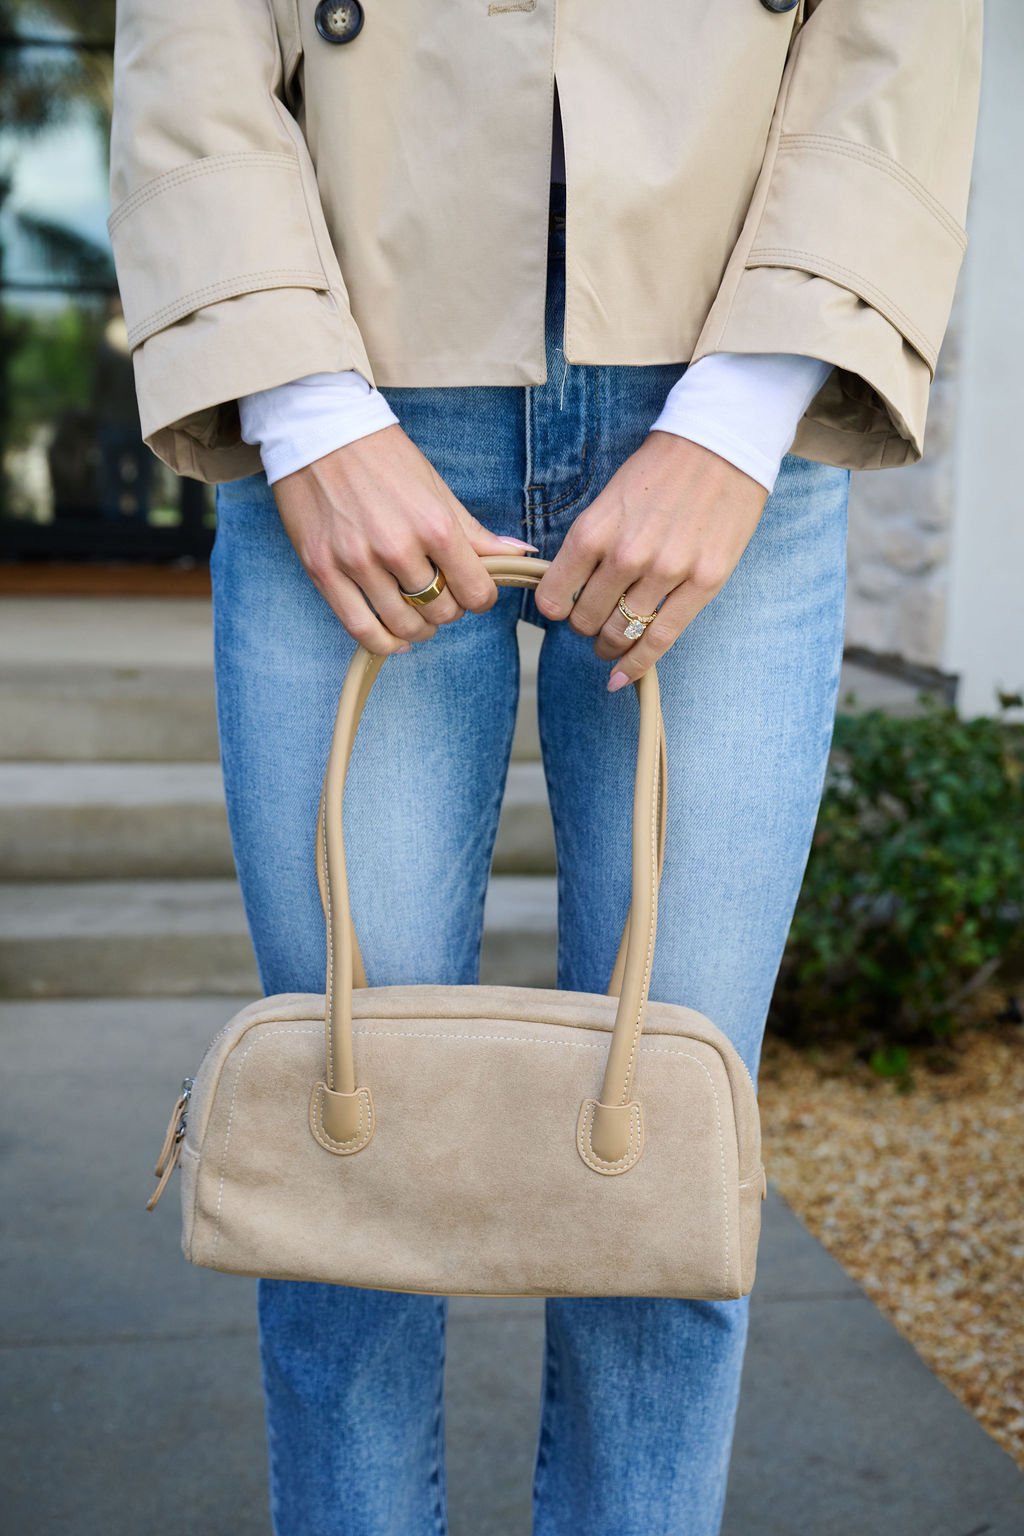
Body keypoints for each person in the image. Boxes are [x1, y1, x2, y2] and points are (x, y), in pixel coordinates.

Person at [107, 3, 982, 1533]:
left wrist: (747, 406)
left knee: (668, 1157)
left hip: (730, 373)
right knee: (342, 1148)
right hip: (352, 352)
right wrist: (299, 402)